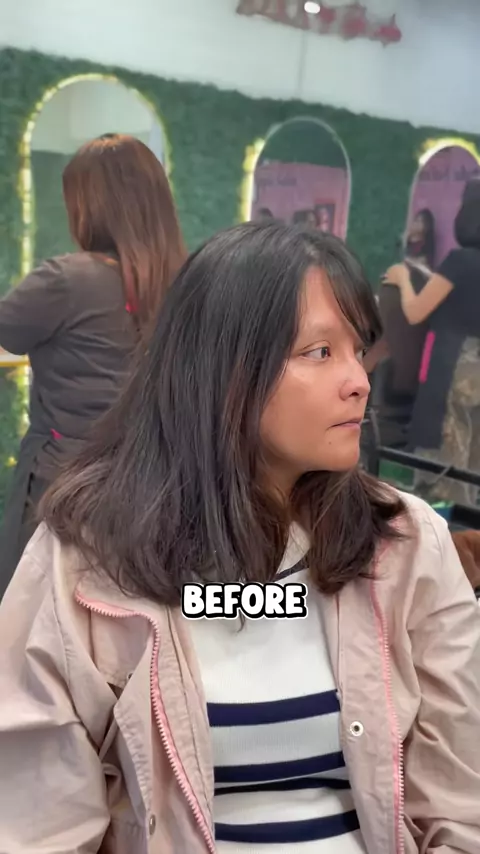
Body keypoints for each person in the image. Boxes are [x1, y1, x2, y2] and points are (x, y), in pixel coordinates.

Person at [1, 222, 479, 854]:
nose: (359, 380)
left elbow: (458, 807)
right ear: (221, 371)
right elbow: (39, 826)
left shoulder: (409, 544)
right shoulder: (82, 562)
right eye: (318, 352)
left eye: (358, 349)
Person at [0, 133, 186, 595]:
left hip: (60, 483)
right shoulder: (186, 285)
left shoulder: (65, 280)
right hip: (151, 487)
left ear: (90, 206)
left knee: (32, 613)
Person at [386, 190, 480, 504]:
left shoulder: (459, 261)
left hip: (453, 367)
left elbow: (416, 312)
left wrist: (403, 279)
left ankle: (441, 526)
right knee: (471, 461)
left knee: (443, 464)